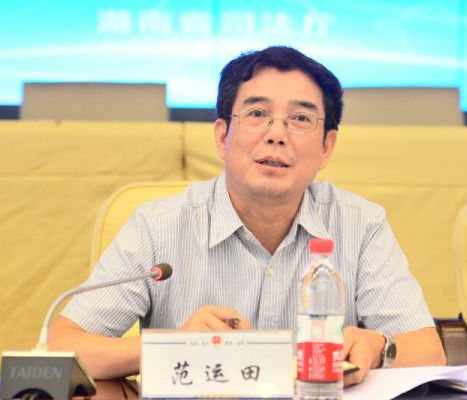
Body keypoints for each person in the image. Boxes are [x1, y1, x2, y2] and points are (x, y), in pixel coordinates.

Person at [49, 46, 446, 386]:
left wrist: (379, 347)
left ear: (327, 147)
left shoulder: (361, 225)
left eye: (301, 119)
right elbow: (62, 347)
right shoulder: (158, 227)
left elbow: (429, 352)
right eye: (257, 114)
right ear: (223, 137)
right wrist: (173, 347)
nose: (277, 134)